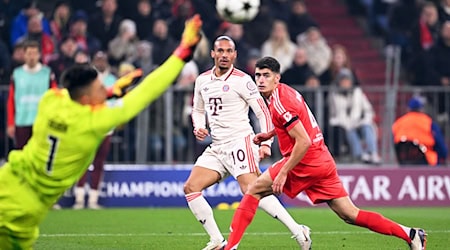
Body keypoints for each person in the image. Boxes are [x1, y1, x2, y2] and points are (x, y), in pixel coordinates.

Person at [0, 14, 203, 249]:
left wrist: (108, 92)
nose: (104, 89)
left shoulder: (50, 101)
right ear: (87, 98)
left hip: (8, 179)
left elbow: (71, 95)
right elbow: (146, 91)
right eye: (99, 88)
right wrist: (183, 53)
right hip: (26, 207)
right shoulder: (94, 122)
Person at [222, 57, 427, 250]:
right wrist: (269, 134)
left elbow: (303, 140)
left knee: (253, 190)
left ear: (277, 78)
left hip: (306, 161)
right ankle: (410, 234)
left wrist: (284, 171)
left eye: (266, 75)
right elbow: (294, 124)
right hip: (322, 160)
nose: (260, 80)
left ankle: (230, 247)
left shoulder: (279, 103)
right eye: (257, 75)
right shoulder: (286, 93)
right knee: (350, 214)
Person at [185, 36, 311, 250]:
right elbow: (197, 109)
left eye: (229, 51)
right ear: (213, 54)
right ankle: (217, 240)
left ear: (234, 55)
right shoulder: (202, 80)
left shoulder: (243, 80)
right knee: (191, 187)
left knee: (252, 190)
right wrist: (198, 125)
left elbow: (262, 112)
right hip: (217, 146)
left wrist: (265, 143)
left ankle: (299, 231)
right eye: (220, 51)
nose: (224, 55)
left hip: (240, 142)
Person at [72, 51, 119, 209]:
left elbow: (117, 102)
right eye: (97, 59)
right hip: (90, 126)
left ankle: (93, 199)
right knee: (84, 161)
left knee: (99, 162)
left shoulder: (112, 79)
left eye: (102, 60)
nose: (100, 62)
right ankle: (79, 198)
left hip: (106, 127)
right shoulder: (89, 78)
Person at [7, 40, 57, 149]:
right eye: (29, 53)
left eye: (34, 53)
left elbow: (55, 98)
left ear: (39, 55)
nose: (32, 57)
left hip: (42, 122)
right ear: (24, 55)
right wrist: (10, 123)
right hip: (22, 121)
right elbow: (11, 100)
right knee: (23, 154)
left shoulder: (47, 73)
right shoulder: (17, 74)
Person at [392, 96, 448, 166]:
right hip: (426, 160)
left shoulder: (398, 123)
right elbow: (441, 146)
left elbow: (395, 143)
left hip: (404, 161)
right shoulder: (429, 122)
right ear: (421, 109)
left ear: (408, 109)